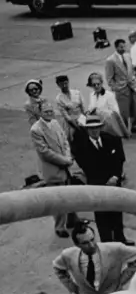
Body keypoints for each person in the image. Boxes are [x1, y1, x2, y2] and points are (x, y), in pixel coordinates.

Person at [72, 115, 132, 244]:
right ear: (87, 130)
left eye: (97, 128)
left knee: (116, 212)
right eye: (91, 129)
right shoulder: (81, 147)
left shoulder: (112, 140)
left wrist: (115, 176)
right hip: (97, 185)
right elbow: (87, 167)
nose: (95, 131)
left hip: (114, 183)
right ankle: (107, 243)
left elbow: (120, 159)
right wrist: (104, 181)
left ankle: (120, 239)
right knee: (102, 215)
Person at [53, 221, 136, 294]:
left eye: (92, 239)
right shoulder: (69, 255)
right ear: (77, 245)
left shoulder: (114, 249)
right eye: (85, 243)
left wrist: (121, 281)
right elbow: (57, 267)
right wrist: (73, 288)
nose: (92, 245)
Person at [30, 101, 78, 238]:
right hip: (53, 169)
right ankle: (59, 227)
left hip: (66, 165)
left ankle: (73, 220)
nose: (49, 114)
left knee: (70, 194)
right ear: (39, 113)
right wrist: (64, 161)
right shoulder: (36, 129)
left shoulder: (55, 123)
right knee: (57, 201)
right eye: (46, 112)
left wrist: (68, 157)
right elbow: (45, 153)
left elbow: (64, 141)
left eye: (51, 111)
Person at [105, 39, 136, 134]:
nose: (123, 49)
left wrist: (134, 79)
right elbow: (109, 78)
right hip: (121, 89)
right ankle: (124, 129)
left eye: (124, 46)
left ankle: (135, 126)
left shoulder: (127, 56)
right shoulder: (111, 60)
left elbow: (132, 70)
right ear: (116, 47)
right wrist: (116, 88)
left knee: (134, 108)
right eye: (121, 47)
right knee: (124, 111)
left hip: (131, 86)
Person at [86, 72, 130, 139]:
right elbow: (90, 107)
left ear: (101, 83)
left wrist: (99, 112)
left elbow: (115, 112)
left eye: (98, 84)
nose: (96, 86)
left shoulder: (109, 95)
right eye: (94, 85)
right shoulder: (91, 95)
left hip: (108, 127)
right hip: (96, 125)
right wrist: (88, 111)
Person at [54, 74, 86, 141]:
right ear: (58, 85)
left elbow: (83, 107)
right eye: (62, 84)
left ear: (68, 82)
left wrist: (84, 119)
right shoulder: (59, 98)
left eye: (66, 83)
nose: (64, 86)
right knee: (73, 138)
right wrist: (76, 127)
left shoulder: (77, 93)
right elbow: (66, 115)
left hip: (81, 119)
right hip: (71, 123)